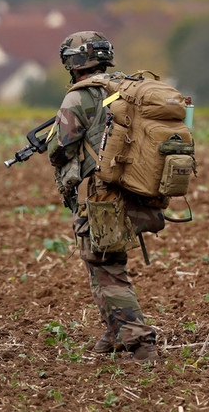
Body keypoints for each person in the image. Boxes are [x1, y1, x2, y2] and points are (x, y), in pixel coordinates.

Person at [47, 30, 164, 362]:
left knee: (106, 266)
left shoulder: (80, 97)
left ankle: (140, 343)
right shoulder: (128, 89)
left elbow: (58, 149)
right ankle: (113, 334)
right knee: (103, 261)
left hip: (100, 197)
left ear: (73, 63)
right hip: (134, 190)